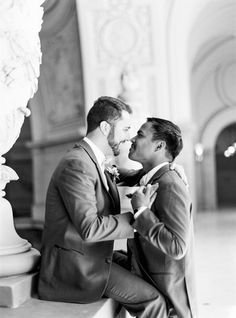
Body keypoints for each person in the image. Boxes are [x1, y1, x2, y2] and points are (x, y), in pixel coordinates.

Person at [38, 97, 169, 318]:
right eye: (126, 129)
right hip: (75, 268)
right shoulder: (77, 164)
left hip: (90, 257)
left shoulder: (92, 158)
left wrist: (167, 168)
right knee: (154, 301)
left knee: (149, 272)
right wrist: (140, 215)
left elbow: (125, 175)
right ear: (105, 127)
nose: (129, 137)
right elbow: (89, 228)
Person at [125, 117, 197, 318]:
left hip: (169, 297)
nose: (131, 138)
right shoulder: (155, 175)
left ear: (159, 145)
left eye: (140, 134)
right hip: (151, 278)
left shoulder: (171, 184)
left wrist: (141, 212)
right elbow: (132, 175)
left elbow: (177, 246)